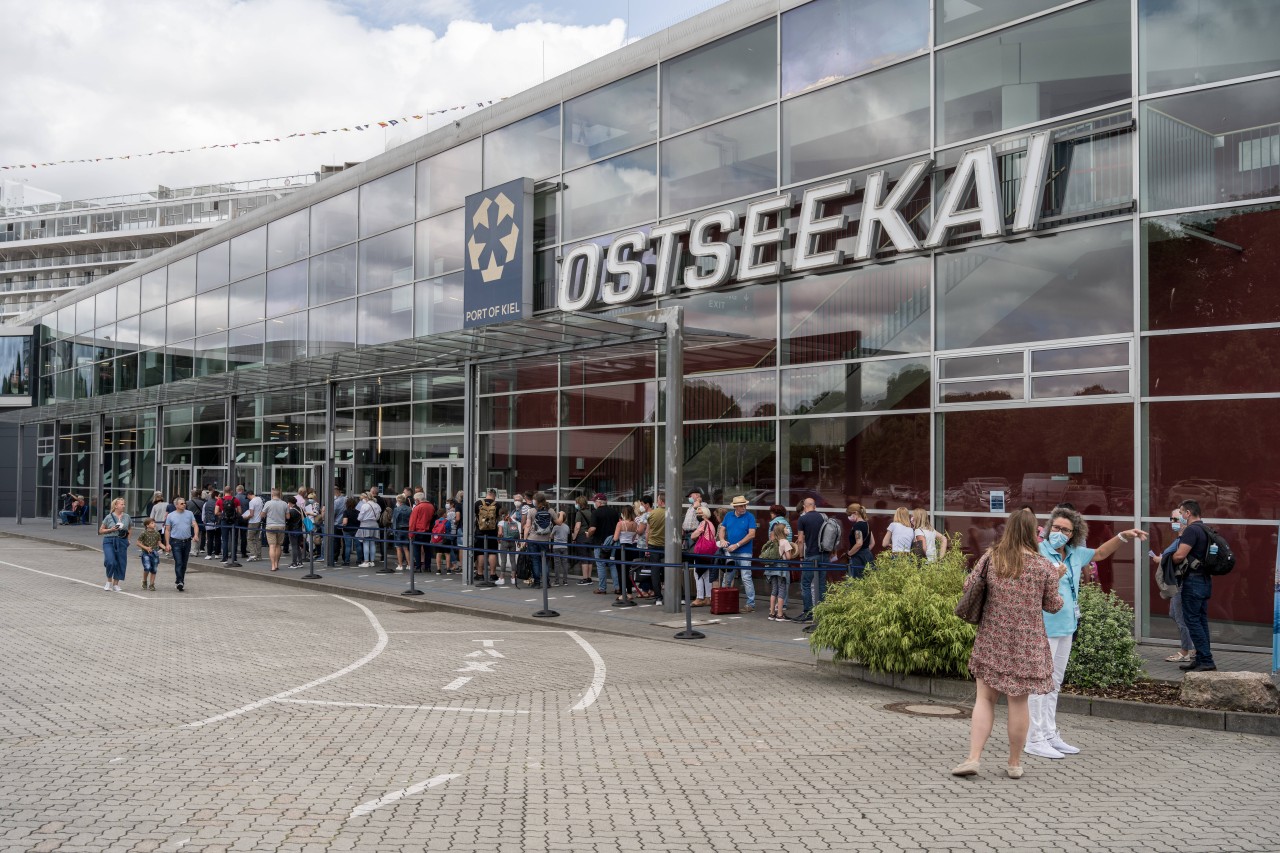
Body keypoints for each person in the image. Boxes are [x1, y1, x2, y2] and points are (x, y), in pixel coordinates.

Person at [1026, 506, 1147, 759]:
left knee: (1054, 683)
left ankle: (1049, 733)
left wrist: (1124, 535)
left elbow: (1101, 553)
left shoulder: (1075, 554)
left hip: (1067, 627)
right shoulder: (1037, 552)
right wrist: (1052, 574)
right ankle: (1033, 737)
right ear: (1048, 529)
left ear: (1073, 534)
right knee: (1039, 684)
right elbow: (1026, 583)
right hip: (1042, 627)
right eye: (1056, 528)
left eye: (1065, 530)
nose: (1059, 533)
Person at [952, 509, 1063, 780]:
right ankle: (1014, 763)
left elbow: (969, 585)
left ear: (1009, 529)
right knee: (1018, 703)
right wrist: (1057, 579)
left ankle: (973, 757)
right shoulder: (1043, 566)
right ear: (1033, 532)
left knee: (985, 699)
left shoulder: (993, 557)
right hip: (1027, 643)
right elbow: (1053, 605)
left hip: (993, 638)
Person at [1170, 499, 1217, 673]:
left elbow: (1180, 555)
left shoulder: (1191, 530)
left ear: (1188, 513)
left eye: (1181, 513)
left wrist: (1171, 558)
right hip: (1204, 580)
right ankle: (1201, 658)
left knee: (1192, 621)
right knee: (1201, 620)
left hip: (1193, 581)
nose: (1180, 516)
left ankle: (1205, 660)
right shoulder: (1206, 529)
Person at [1152, 509, 1195, 663]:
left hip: (1180, 584)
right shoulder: (1179, 539)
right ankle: (1191, 647)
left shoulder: (1185, 540)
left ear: (1185, 519)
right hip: (1177, 584)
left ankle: (1186, 650)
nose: (1172, 522)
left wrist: (1162, 559)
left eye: (1176, 519)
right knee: (1174, 613)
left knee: (1180, 617)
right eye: (1171, 519)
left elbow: (1175, 558)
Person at [717, 495, 759, 612]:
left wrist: (737, 545)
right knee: (727, 576)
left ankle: (750, 604)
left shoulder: (750, 517)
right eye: (741, 506)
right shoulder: (729, 515)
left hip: (744, 552)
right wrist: (722, 539)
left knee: (746, 577)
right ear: (735, 507)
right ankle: (724, 601)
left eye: (744, 505)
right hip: (731, 551)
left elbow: (752, 534)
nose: (744, 507)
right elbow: (722, 528)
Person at [793, 498, 829, 623]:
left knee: (806, 583)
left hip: (811, 554)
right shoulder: (823, 517)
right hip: (824, 555)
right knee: (821, 584)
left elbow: (801, 540)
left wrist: (801, 557)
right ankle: (822, 612)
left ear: (804, 506)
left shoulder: (803, 519)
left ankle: (808, 612)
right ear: (814, 505)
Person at [163, 496, 199, 593]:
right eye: (182, 503)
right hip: (175, 542)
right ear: (176, 505)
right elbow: (167, 530)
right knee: (178, 562)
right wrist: (167, 543)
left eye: (184, 503)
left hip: (187, 541)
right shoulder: (171, 515)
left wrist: (195, 535)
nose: (184, 505)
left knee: (184, 563)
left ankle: (180, 580)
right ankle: (180, 581)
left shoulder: (189, 513)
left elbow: (195, 524)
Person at [761, 522, 794, 621]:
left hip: (772, 569)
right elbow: (788, 557)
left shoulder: (773, 541)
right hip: (781, 569)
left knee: (774, 590)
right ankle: (780, 614)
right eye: (786, 528)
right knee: (782, 590)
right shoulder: (785, 542)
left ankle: (771, 613)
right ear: (783, 531)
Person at [98, 497, 132, 592]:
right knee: (110, 561)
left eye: (124, 504)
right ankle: (108, 581)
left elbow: (129, 528)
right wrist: (111, 529)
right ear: (116, 506)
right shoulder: (109, 517)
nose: (123, 505)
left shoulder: (127, 516)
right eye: (121, 504)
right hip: (109, 540)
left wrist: (128, 540)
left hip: (122, 541)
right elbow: (101, 530)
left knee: (121, 562)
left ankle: (116, 584)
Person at [521, 491, 555, 586]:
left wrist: (524, 540)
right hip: (545, 540)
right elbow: (559, 522)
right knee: (545, 561)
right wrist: (561, 514)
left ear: (536, 501)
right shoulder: (550, 510)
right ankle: (546, 582)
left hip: (532, 539)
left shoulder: (531, 511)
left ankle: (537, 582)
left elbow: (527, 526)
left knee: (535, 560)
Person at [688, 505, 718, 606]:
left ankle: (699, 598)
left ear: (705, 514)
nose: (698, 515)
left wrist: (695, 534)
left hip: (702, 552)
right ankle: (708, 598)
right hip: (710, 552)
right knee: (706, 574)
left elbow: (693, 535)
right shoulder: (711, 524)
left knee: (698, 574)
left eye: (699, 513)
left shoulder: (703, 523)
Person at [641, 493, 667, 604]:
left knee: (655, 571)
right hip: (667, 546)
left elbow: (648, 531)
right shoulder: (672, 513)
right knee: (671, 569)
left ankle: (658, 597)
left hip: (653, 545)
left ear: (660, 501)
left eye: (658, 500)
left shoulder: (652, 514)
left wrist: (647, 546)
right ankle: (676, 595)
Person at [474, 488, 501, 582]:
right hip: (493, 532)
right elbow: (499, 518)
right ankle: (493, 574)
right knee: (492, 552)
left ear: (487, 494)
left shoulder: (478, 503)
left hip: (480, 531)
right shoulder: (497, 505)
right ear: (494, 496)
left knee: (480, 552)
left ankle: (480, 574)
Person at [262, 488, 289, 572]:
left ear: (272, 494)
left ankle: (273, 565)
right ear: (280, 494)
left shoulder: (268, 503)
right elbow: (288, 517)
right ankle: (277, 564)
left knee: (272, 546)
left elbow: (262, 515)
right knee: (278, 546)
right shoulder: (285, 504)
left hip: (270, 526)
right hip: (281, 526)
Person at [570, 495, 595, 586]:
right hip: (590, 537)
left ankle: (585, 578)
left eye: (576, 503)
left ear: (579, 504)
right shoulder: (591, 512)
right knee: (589, 558)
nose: (575, 504)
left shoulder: (579, 513)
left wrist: (574, 538)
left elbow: (577, 527)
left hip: (581, 537)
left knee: (583, 558)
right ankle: (589, 577)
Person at [409, 493, 435, 573]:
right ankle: (427, 567)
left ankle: (418, 567)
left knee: (417, 549)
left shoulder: (417, 507)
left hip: (418, 530)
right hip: (428, 530)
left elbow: (412, 522)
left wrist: (411, 533)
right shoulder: (431, 506)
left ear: (417, 500)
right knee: (427, 549)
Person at [497, 506, 522, 585]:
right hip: (513, 542)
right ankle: (513, 578)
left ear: (501, 515)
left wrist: (499, 539)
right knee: (513, 560)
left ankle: (502, 578)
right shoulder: (514, 521)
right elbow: (517, 532)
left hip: (504, 542)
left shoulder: (501, 522)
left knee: (503, 561)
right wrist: (518, 541)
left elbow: (500, 533)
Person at [846, 503, 873, 577]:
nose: (849, 517)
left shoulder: (857, 526)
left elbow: (859, 543)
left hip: (858, 558)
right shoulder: (867, 524)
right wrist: (865, 551)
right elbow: (872, 543)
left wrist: (849, 554)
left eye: (849, 514)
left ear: (855, 513)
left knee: (856, 580)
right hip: (868, 555)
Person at [136, 517, 162, 591]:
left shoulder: (157, 533)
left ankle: (152, 584)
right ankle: (144, 581)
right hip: (145, 553)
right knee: (147, 567)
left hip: (154, 553)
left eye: (154, 523)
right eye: (152, 523)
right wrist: (146, 548)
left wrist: (166, 547)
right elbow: (138, 542)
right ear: (147, 525)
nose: (154, 524)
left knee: (154, 569)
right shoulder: (143, 533)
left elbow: (159, 543)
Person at [356, 491, 379, 568]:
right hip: (375, 524)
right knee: (372, 543)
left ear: (366, 498)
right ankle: (372, 561)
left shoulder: (365, 506)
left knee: (365, 542)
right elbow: (378, 516)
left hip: (365, 524)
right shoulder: (377, 505)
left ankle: (366, 561)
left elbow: (360, 517)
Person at [391, 493, 413, 571]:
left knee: (398, 548)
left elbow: (394, 521)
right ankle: (409, 564)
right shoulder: (409, 509)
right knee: (406, 548)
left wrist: (393, 531)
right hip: (407, 529)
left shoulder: (397, 509)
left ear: (398, 501)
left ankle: (400, 565)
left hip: (398, 529)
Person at [551, 510, 571, 586]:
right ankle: (565, 581)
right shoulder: (567, 527)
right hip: (564, 546)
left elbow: (551, 536)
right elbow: (568, 534)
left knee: (557, 564)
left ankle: (557, 581)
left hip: (556, 546)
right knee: (565, 564)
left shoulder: (555, 527)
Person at [243, 488, 264, 562]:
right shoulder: (259, 499)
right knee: (258, 539)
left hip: (253, 522)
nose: (247, 498)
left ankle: (253, 554)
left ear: (249, 495)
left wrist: (246, 517)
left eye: (247, 497)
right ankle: (259, 555)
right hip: (259, 521)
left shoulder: (251, 502)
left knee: (249, 538)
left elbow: (251, 514)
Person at [202, 489, 220, 561]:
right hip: (218, 522)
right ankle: (217, 554)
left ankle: (209, 554)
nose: (220, 497)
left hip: (209, 522)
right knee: (217, 538)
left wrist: (204, 521)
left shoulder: (206, 503)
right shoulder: (219, 502)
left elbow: (204, 513)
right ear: (216, 496)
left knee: (210, 539)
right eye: (219, 496)